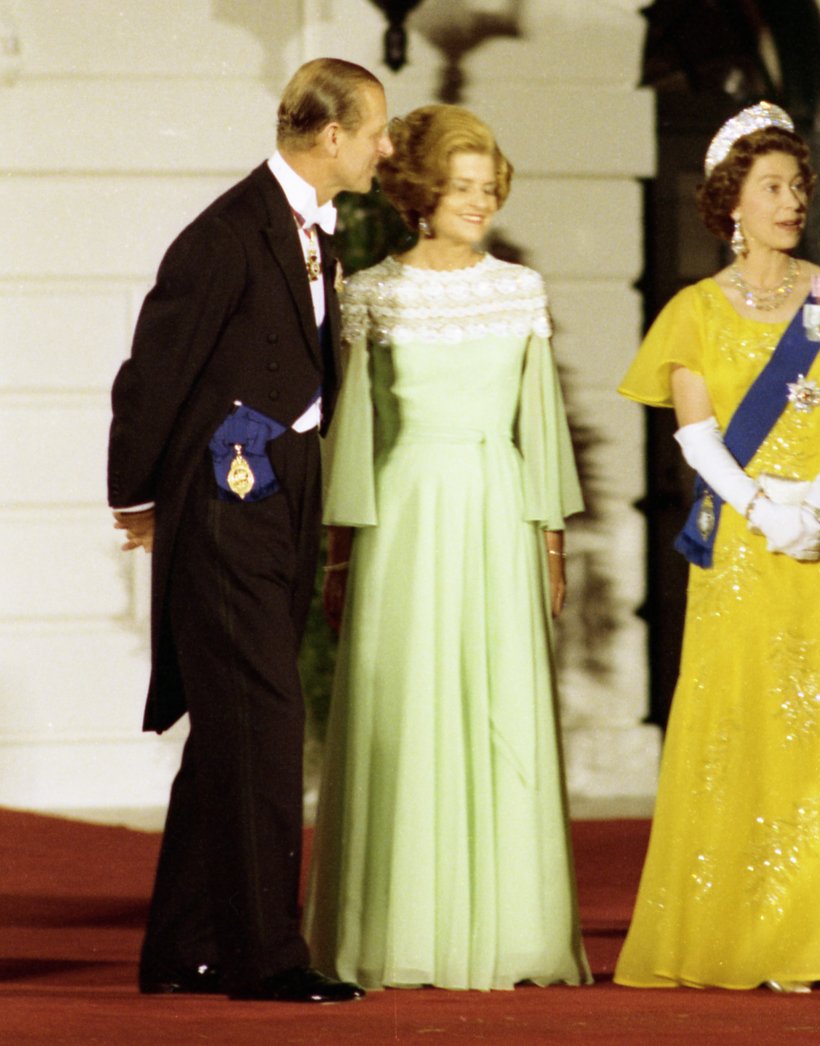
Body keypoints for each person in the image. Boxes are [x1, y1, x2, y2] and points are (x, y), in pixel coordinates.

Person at [614, 102, 820, 991]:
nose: (792, 200)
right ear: (733, 201)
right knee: (746, 723)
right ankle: (749, 935)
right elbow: (695, 438)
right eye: (773, 186)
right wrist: (768, 514)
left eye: (799, 185)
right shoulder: (693, 310)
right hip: (745, 544)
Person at [107, 58, 393, 1004]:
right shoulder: (227, 235)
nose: (386, 148)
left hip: (281, 507)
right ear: (330, 137)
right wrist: (137, 499)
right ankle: (265, 958)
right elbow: (151, 373)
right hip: (225, 511)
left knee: (233, 732)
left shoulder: (317, 232)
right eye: (376, 131)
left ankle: (183, 949)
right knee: (267, 727)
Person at [302, 104, 591, 992]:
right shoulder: (369, 293)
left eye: (488, 187)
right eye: (462, 188)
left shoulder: (518, 290)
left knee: (502, 704)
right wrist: (344, 553)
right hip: (404, 514)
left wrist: (551, 541)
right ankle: (399, 932)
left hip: (500, 508)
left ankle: (514, 936)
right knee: (405, 711)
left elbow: (539, 423)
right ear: (423, 193)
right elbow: (354, 431)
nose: (480, 202)